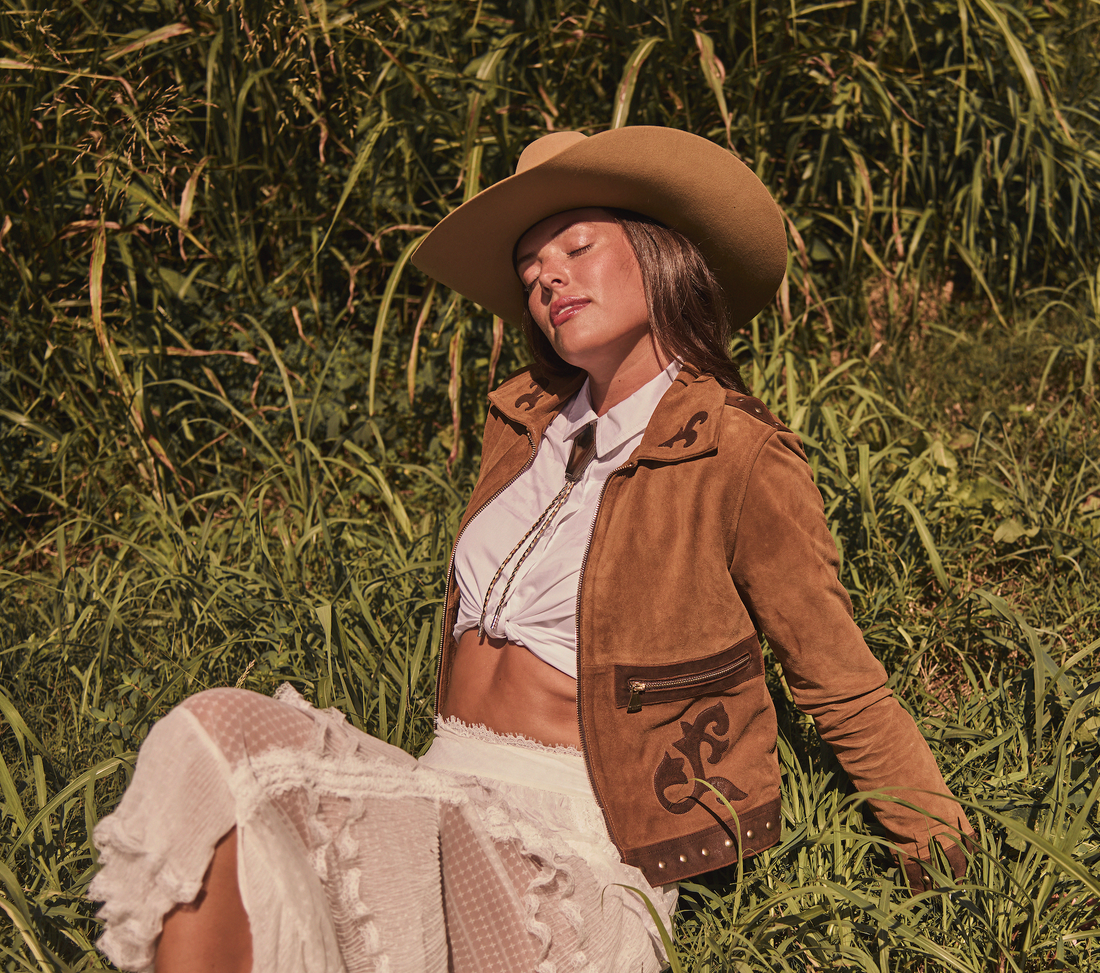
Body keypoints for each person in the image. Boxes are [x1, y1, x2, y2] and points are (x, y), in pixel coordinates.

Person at [90, 127, 974, 973]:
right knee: (217, 756)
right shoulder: (525, 427)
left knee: (228, 747)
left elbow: (841, 681)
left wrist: (956, 880)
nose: (546, 277)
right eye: (531, 269)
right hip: (438, 790)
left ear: (658, 253)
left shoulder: (735, 454)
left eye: (575, 249)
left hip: (574, 845)